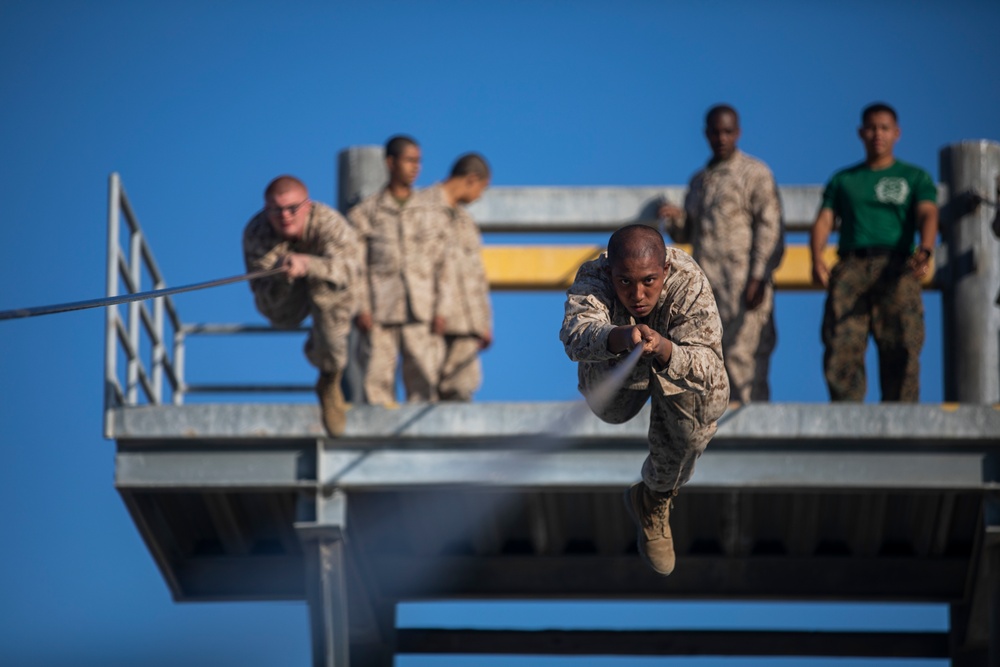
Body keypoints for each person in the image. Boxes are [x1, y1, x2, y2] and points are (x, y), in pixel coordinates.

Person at [560, 224, 729, 575]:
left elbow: (713, 371)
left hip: (672, 373)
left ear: (665, 269)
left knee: (708, 402)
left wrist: (667, 350)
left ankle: (653, 497)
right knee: (611, 396)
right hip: (613, 389)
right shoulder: (594, 276)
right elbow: (575, 337)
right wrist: (619, 337)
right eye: (625, 282)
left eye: (649, 281)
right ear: (610, 272)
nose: (638, 294)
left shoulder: (688, 282)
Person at [810, 102, 938, 402]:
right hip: (852, 266)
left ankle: (901, 424)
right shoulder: (844, 180)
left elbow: (928, 214)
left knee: (901, 345)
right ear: (860, 133)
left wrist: (927, 249)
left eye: (884, 128)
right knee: (842, 345)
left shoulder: (914, 177)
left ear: (896, 133)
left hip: (897, 267)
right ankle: (847, 421)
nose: (877, 134)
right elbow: (824, 219)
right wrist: (817, 257)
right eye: (870, 128)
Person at [660, 104, 784, 407]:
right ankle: (715, 426)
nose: (721, 138)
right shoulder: (700, 181)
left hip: (743, 282)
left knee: (746, 355)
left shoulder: (754, 173)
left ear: (738, 132)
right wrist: (675, 220)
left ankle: (751, 430)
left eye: (728, 131)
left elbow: (770, 228)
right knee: (708, 353)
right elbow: (690, 232)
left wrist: (758, 276)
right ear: (706, 134)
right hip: (708, 286)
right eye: (715, 132)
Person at [243, 175, 361, 436]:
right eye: (276, 210)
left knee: (326, 293)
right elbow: (263, 298)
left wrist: (308, 265)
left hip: (331, 292)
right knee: (281, 293)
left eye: (292, 209)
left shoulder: (330, 224)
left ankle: (329, 377)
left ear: (307, 206)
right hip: (283, 302)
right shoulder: (256, 233)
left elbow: (350, 272)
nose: (285, 216)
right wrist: (280, 274)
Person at [347, 135, 449, 404]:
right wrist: (361, 307)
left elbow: (443, 265)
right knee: (376, 379)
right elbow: (355, 266)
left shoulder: (431, 212)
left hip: (422, 310)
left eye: (419, 161)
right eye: (409, 160)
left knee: (425, 379)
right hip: (380, 311)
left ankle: (424, 439)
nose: (416, 167)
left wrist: (442, 310)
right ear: (390, 163)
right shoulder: (365, 213)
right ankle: (379, 437)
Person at [416, 152, 493, 401]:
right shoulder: (420, 207)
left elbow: (478, 276)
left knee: (461, 391)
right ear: (472, 179)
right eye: (482, 187)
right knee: (423, 392)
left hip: (465, 324)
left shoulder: (465, 221)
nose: (480, 196)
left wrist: (484, 322)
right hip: (429, 319)